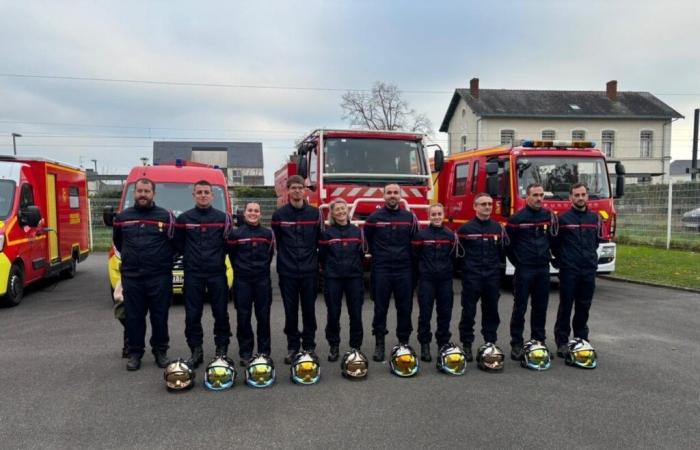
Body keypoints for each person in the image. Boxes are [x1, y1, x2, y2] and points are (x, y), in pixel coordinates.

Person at [112, 178, 175, 371]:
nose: (143, 195)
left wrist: (161, 261)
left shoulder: (166, 216)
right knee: (134, 317)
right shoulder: (123, 217)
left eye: (147, 191)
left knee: (159, 316)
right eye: (140, 191)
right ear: (134, 193)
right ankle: (135, 353)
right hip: (132, 276)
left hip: (159, 276)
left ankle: (160, 351)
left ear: (153, 194)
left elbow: (175, 244)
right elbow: (119, 242)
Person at [175, 180, 232, 368]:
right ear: (193, 195)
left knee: (221, 314)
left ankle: (221, 350)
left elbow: (228, 245)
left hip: (216, 273)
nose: (203, 195)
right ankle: (196, 351)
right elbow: (178, 245)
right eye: (199, 192)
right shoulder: (184, 219)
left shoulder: (223, 218)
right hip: (193, 274)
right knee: (192, 315)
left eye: (206, 192)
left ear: (212, 195)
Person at [271, 175, 323, 364]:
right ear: (288, 190)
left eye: (300, 188)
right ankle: (293, 347)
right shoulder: (279, 216)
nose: (297, 191)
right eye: (293, 188)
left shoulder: (315, 214)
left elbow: (320, 240)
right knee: (290, 311)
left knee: (309, 310)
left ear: (304, 190)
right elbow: (276, 242)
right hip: (288, 271)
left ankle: (309, 346)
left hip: (309, 271)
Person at [365, 183, 418, 362]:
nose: (392, 195)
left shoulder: (410, 218)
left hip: (404, 269)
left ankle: (403, 343)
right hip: (382, 269)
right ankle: (380, 344)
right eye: (389, 193)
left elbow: (415, 242)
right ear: (383, 196)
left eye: (396, 192)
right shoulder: (373, 218)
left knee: (405, 308)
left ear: (401, 195)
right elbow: (368, 241)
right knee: (380, 308)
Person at [506, 183, 555, 360]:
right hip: (524, 269)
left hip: (542, 268)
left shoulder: (549, 217)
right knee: (520, 308)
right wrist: (519, 262)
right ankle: (517, 344)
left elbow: (553, 239)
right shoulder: (516, 219)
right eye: (535, 195)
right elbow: (508, 245)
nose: (539, 198)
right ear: (527, 196)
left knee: (540, 308)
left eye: (541, 195)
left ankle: (538, 342)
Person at [552, 183, 600, 357]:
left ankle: (581, 338)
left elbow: (596, 242)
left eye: (583, 194)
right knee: (566, 305)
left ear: (587, 196)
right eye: (577, 195)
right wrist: (564, 260)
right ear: (570, 198)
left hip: (588, 269)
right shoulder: (563, 219)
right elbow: (555, 244)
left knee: (584, 306)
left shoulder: (594, 218)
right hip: (569, 270)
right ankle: (562, 341)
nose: (580, 198)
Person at [457, 193, 504, 362]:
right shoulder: (465, 230)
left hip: (491, 276)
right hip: (472, 277)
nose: (487, 207)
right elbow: (458, 255)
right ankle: (467, 345)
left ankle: (490, 343)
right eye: (483, 204)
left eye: (490, 204)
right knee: (468, 312)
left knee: (491, 312)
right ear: (475, 207)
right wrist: (466, 271)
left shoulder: (498, 228)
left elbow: (502, 252)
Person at [226, 201, 275, 366]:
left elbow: (269, 256)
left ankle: (264, 352)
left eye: (256, 210)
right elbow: (232, 256)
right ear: (244, 213)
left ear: (260, 214)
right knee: (243, 318)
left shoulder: (267, 234)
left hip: (262, 281)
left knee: (263, 318)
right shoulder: (235, 234)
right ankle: (245, 353)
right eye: (250, 210)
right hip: (242, 282)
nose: (253, 213)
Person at [319, 198, 365, 361]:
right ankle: (334, 346)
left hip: (354, 277)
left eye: (342, 208)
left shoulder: (357, 231)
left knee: (356, 314)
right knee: (333, 313)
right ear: (332, 213)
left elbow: (361, 254)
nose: (340, 211)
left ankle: (355, 346)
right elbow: (322, 257)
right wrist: (330, 270)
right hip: (333, 278)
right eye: (336, 209)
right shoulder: (327, 234)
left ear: (347, 210)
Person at [411, 203, 456, 362]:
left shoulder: (450, 235)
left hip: (445, 281)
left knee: (445, 314)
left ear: (443, 215)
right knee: (425, 315)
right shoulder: (421, 236)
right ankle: (424, 344)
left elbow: (454, 258)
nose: (436, 217)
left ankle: (443, 344)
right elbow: (415, 258)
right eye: (433, 214)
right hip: (427, 280)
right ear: (429, 216)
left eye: (439, 214)